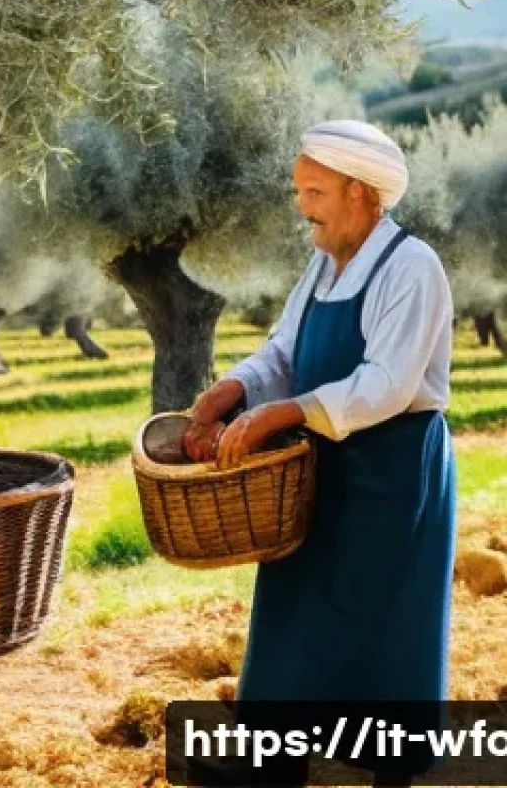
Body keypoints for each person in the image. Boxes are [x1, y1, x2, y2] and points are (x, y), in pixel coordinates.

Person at [182, 119, 456, 788]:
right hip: (321, 464)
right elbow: (284, 349)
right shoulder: (324, 263)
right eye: (299, 190)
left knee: (382, 616)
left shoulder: (412, 267)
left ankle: (391, 773)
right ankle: (271, 765)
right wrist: (235, 387)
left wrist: (290, 411)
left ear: (361, 192)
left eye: (315, 191)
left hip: (392, 468)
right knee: (295, 606)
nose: (302, 205)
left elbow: (388, 384)